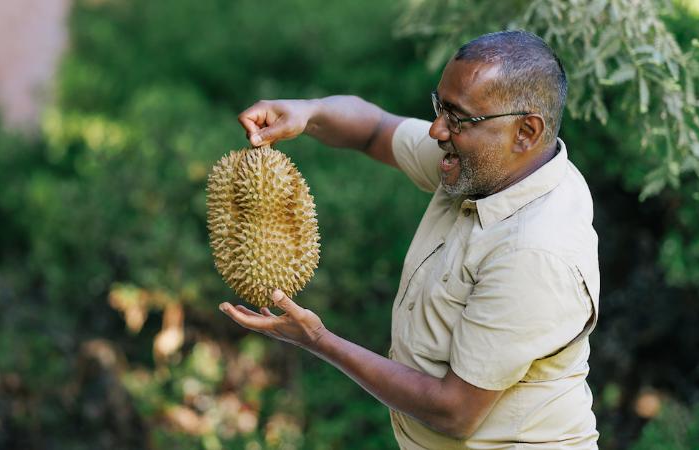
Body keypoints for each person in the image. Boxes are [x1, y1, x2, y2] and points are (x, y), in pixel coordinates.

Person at [218, 30, 600, 449]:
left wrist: (318, 340)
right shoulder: (483, 163)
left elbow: (455, 412)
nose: (437, 130)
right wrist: (307, 113)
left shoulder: (537, 252)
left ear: (526, 131)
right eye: (439, 107)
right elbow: (375, 129)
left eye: (457, 118)